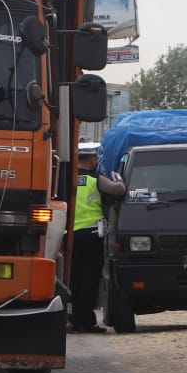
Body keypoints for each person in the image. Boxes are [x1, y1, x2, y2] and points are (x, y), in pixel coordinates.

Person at [70, 141, 123, 333]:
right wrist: (118, 179)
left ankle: (76, 321)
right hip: (92, 235)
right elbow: (118, 191)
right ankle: (87, 322)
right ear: (92, 160)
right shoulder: (95, 179)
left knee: (75, 280)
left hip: (71, 237)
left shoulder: (66, 179)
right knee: (90, 280)